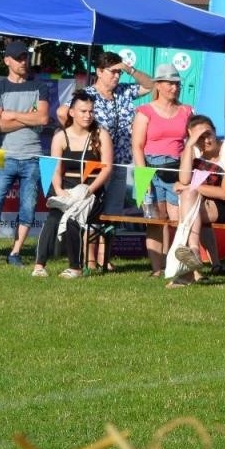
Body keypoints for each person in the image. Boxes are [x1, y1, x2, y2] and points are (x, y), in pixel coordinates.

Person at [60, 51, 156, 213]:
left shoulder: (124, 91)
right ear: (99, 72)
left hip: (120, 162)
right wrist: (81, 136)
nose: (117, 76)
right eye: (113, 72)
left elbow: (151, 85)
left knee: (113, 213)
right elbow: (62, 113)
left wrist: (129, 70)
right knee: (91, 210)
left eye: (119, 72)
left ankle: (107, 239)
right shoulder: (88, 94)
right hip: (97, 163)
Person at [0, 40, 50, 267]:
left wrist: (11, 114)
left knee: (28, 206)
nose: (23, 62)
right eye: (18, 58)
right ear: (7, 61)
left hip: (32, 156)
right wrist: (26, 117)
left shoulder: (40, 86)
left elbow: (42, 119)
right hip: (5, 156)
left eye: (25, 57)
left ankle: (15, 252)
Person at [31, 89, 112, 279]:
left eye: (91, 111)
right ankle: (39, 265)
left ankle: (75, 267)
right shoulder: (60, 137)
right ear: (72, 112)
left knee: (73, 218)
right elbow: (55, 168)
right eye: (83, 111)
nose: (88, 115)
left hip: (92, 193)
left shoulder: (101, 135)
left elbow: (107, 168)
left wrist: (89, 190)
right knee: (53, 218)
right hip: (66, 189)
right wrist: (59, 190)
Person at [131, 64, 192, 277]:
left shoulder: (187, 110)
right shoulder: (144, 112)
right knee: (155, 221)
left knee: (178, 221)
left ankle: (177, 266)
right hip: (150, 168)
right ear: (158, 85)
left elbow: (192, 143)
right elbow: (137, 146)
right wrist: (143, 176)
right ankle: (157, 269)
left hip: (177, 169)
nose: (174, 88)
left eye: (177, 83)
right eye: (170, 83)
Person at [169, 115, 225, 287]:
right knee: (189, 200)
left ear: (215, 132)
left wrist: (191, 188)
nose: (206, 141)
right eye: (199, 138)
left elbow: (224, 193)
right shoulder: (192, 150)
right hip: (199, 203)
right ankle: (192, 258)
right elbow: (185, 179)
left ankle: (189, 265)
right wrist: (188, 146)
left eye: (208, 134)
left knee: (188, 208)